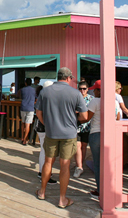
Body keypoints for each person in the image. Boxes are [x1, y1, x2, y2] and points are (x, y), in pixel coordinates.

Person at [36, 67, 88, 208]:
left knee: (48, 162)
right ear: (68, 78)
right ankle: (62, 199)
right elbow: (84, 116)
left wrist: (46, 124)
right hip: (69, 134)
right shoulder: (75, 93)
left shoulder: (45, 91)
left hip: (51, 132)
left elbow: (38, 112)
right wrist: (75, 119)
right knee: (65, 166)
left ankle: (42, 192)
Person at [78, 80, 119, 200]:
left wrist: (77, 118)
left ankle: (100, 190)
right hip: (111, 135)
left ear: (99, 91)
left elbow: (86, 118)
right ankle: (111, 189)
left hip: (96, 133)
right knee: (110, 163)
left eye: (95, 89)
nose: (93, 91)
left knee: (98, 164)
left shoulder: (95, 101)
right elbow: (117, 117)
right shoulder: (115, 102)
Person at [34, 81, 57, 184]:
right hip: (45, 128)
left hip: (40, 127)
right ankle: (44, 173)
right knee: (46, 151)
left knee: (44, 151)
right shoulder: (47, 98)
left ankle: (42, 172)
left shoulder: (42, 97)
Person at [73, 81, 94, 178]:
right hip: (76, 125)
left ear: (87, 89)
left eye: (84, 88)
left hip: (87, 125)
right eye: (80, 88)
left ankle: (80, 162)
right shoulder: (75, 98)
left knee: (84, 146)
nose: (82, 90)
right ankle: (79, 166)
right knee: (77, 145)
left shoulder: (91, 99)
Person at [19, 78, 36, 145]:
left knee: (23, 123)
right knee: (27, 124)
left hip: (23, 107)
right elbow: (36, 98)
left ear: (25, 83)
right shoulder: (34, 90)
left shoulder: (22, 90)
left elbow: (21, 97)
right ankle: (25, 140)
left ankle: (22, 137)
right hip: (30, 108)